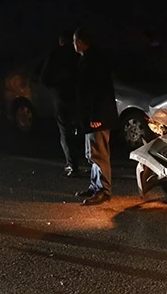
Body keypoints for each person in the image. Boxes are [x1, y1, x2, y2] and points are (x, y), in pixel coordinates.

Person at [72, 27, 118, 206]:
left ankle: (103, 190)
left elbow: (100, 91)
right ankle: (94, 185)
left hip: (98, 116)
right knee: (92, 152)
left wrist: (96, 115)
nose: (73, 44)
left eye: (75, 40)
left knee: (99, 153)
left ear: (82, 42)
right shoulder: (88, 58)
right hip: (92, 116)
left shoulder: (94, 60)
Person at [40, 30, 84, 177]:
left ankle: (72, 164)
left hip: (62, 99)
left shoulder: (55, 55)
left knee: (65, 131)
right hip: (79, 97)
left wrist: (56, 89)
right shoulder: (78, 54)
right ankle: (89, 159)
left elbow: (44, 78)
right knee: (82, 128)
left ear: (60, 42)